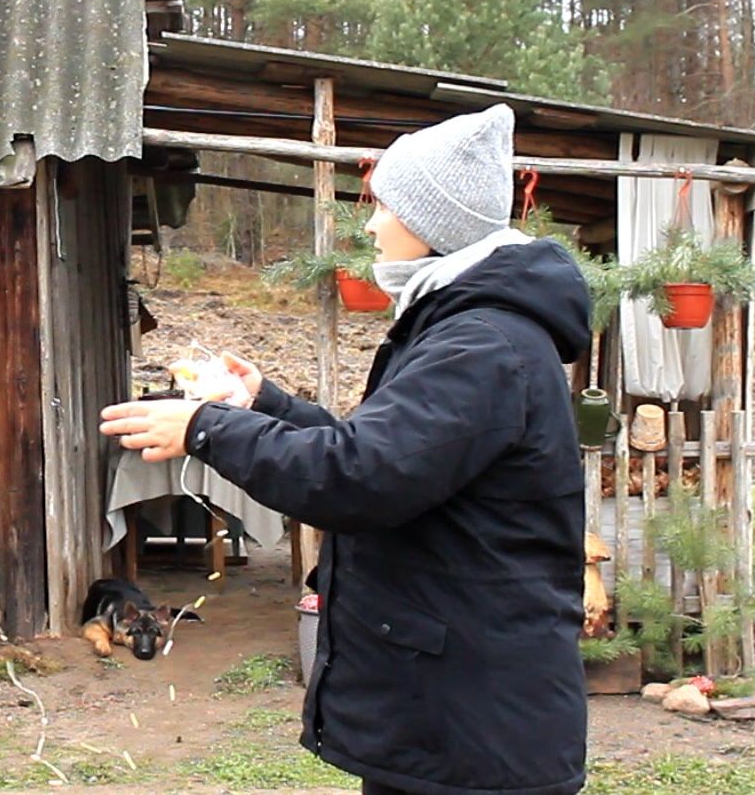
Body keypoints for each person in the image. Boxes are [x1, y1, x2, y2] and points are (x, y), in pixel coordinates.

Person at [101, 104, 590, 795]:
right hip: (454, 712)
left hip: (475, 729)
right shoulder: (469, 329)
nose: (369, 223)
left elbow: (357, 479)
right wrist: (267, 405)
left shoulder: (481, 346)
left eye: (385, 204)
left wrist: (205, 428)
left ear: (430, 224)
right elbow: (385, 454)